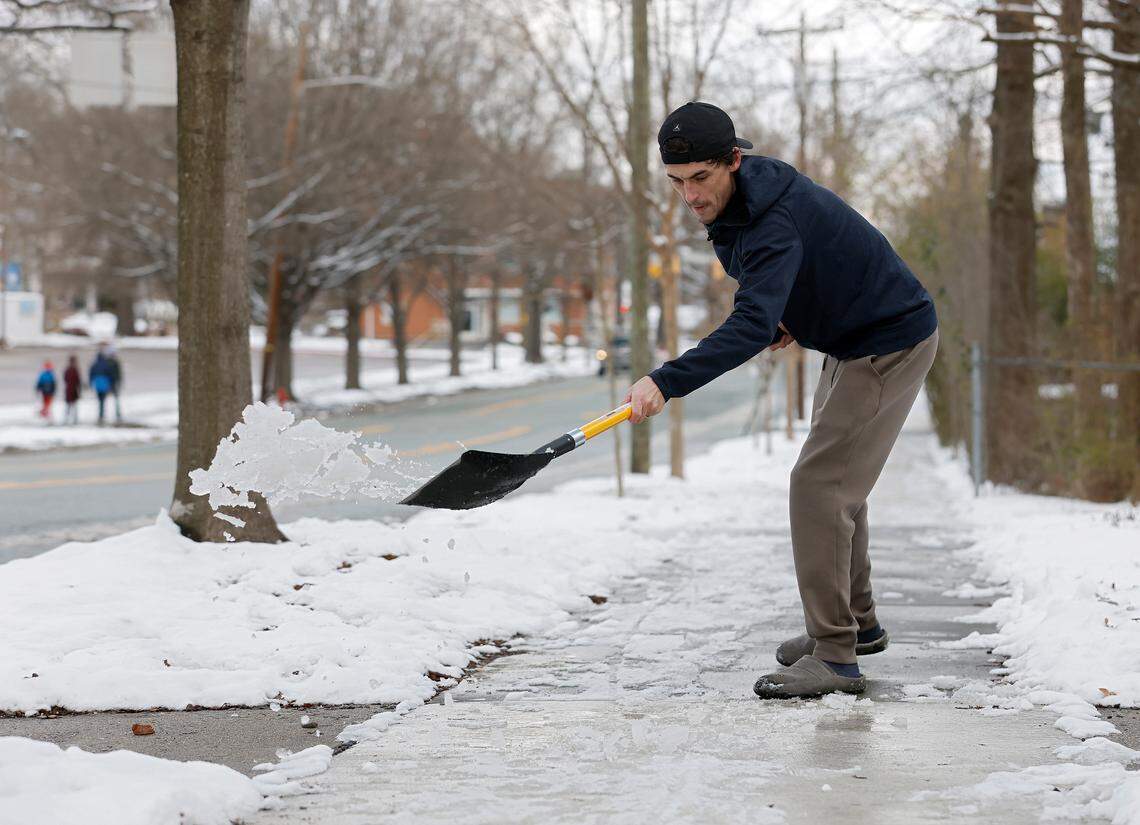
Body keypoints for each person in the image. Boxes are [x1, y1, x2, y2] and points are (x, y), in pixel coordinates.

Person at [624, 102, 938, 699]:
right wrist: (787, 316)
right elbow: (796, 279)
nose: (689, 195)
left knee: (820, 485)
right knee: (838, 482)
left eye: (700, 178)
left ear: (733, 160)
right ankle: (857, 626)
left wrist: (665, 381)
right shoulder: (742, 202)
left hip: (886, 342)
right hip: (850, 339)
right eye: (676, 181)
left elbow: (748, 320)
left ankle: (837, 658)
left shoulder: (772, 217)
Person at [89, 346, 115, 426]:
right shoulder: (105, 364)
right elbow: (110, 374)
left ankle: (100, 414)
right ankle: (101, 414)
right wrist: (111, 384)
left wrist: (91, 383)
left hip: (97, 384)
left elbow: (91, 374)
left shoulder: (95, 364)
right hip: (104, 384)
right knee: (103, 400)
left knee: (100, 400)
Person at [106, 345, 124, 423]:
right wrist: (119, 382)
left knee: (107, 400)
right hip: (113, 383)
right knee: (115, 399)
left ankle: (105, 414)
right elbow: (119, 374)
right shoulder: (115, 362)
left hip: (110, 382)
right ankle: (117, 414)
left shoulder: (107, 362)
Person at [63, 355, 82, 424]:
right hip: (73, 390)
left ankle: (69, 419)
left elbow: (65, 379)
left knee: (70, 406)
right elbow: (78, 381)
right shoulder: (75, 370)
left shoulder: (68, 370)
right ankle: (72, 419)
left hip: (69, 390)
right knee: (72, 406)